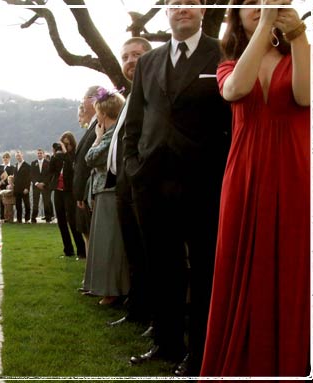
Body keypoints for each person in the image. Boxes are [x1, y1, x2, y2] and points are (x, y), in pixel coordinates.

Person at [201, 0, 313, 377]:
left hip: (293, 171)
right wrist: (265, 26)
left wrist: (297, 38)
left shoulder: (307, 51)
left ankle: (289, 365)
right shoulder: (227, 64)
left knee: (291, 265)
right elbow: (236, 90)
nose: (262, 5)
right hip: (244, 174)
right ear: (235, 15)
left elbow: (304, 96)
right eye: (251, 2)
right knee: (236, 262)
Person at [122, 0, 231, 375]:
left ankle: (200, 353)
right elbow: (134, 119)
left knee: (203, 269)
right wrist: (134, 167)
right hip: (151, 181)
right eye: (174, 4)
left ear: (203, 11)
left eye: (191, 4)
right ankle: (166, 343)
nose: (182, 9)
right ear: (166, 13)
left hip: (203, 181)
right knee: (162, 267)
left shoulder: (222, 51)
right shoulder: (149, 62)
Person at [107, 37, 152, 324]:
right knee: (133, 254)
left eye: (137, 55)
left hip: (143, 183)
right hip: (123, 185)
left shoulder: (154, 92)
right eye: (125, 56)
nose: (130, 61)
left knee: (150, 255)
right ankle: (137, 310)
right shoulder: (131, 95)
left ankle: (155, 317)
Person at [83, 88, 129, 306]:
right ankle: (105, 287)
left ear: (102, 114)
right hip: (105, 191)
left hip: (109, 192)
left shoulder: (110, 136)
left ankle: (112, 290)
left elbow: (90, 158)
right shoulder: (114, 134)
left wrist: (97, 138)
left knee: (108, 242)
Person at [49, 132, 86, 258]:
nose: (64, 146)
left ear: (71, 144)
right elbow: (51, 170)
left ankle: (81, 250)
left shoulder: (74, 155)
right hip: (58, 191)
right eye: (62, 143)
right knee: (61, 221)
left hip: (69, 191)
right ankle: (68, 250)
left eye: (66, 144)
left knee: (72, 221)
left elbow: (73, 166)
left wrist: (65, 153)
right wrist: (55, 155)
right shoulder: (59, 157)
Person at [73, 86, 100, 250]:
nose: (82, 102)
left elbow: (86, 164)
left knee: (91, 236)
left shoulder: (99, 125)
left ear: (92, 100)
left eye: (84, 98)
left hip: (88, 193)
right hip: (83, 194)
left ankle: (92, 275)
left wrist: (82, 194)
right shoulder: (92, 126)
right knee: (86, 234)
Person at [30, 148, 54, 223]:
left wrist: (44, 183)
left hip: (45, 185)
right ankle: (33, 218)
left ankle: (48, 218)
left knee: (46, 202)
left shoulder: (48, 163)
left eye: (41, 153)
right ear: (37, 154)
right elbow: (31, 175)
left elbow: (50, 175)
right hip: (36, 186)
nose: (39, 154)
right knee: (35, 202)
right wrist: (36, 183)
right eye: (38, 153)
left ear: (43, 154)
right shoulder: (33, 163)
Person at [0, 152, 14, 221]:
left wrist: (6, 181)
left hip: (7, 186)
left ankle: (8, 217)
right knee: (2, 201)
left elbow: (12, 175)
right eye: (4, 157)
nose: (5, 159)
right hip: (1, 185)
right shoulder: (0, 166)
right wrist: (0, 180)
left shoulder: (12, 167)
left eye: (6, 157)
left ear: (9, 158)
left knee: (8, 202)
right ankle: (2, 216)